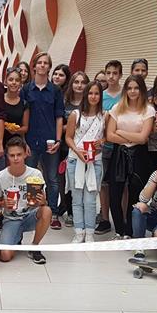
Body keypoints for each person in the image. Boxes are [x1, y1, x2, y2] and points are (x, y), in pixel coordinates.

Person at [105, 76, 155, 238]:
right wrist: (133, 137)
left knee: (135, 194)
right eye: (129, 88)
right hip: (119, 154)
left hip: (139, 155)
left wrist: (120, 132)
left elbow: (143, 138)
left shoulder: (148, 110)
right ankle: (119, 230)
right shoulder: (117, 108)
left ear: (142, 90)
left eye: (136, 88)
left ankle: (130, 231)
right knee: (115, 194)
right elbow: (109, 136)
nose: (133, 91)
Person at [0, 136, 52, 265]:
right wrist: (3, 204)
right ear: (7, 156)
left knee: (46, 211)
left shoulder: (35, 174)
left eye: (19, 154)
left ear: (26, 154)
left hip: (31, 215)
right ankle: (16, 237)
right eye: (12, 155)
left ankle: (34, 247)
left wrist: (42, 201)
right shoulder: (0, 176)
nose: (16, 159)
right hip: (11, 218)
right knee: (5, 256)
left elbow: (45, 203)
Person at [21, 52, 64, 220]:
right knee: (31, 178)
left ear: (49, 67)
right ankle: (32, 211)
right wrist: (23, 141)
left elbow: (59, 117)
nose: (42, 65)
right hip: (31, 141)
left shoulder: (55, 90)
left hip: (50, 141)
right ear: (34, 66)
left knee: (52, 178)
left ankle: (52, 212)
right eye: (39, 62)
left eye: (46, 63)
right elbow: (22, 117)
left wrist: (58, 140)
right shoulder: (26, 89)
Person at [64, 80, 105, 243]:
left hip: (95, 161)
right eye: (90, 93)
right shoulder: (76, 114)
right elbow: (68, 137)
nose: (93, 96)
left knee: (90, 200)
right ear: (86, 95)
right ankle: (78, 232)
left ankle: (89, 232)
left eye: (97, 93)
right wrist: (77, 151)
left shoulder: (104, 115)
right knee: (77, 199)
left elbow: (107, 136)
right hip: (76, 160)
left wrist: (102, 142)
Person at [57, 71, 89, 229]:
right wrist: (70, 126)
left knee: (84, 181)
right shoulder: (64, 101)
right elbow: (59, 124)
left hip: (86, 149)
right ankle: (69, 211)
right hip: (66, 146)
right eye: (76, 82)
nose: (79, 85)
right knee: (67, 181)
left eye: (83, 82)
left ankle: (85, 212)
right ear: (71, 84)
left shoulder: (91, 102)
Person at [97, 60, 124, 235]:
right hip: (104, 145)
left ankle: (123, 219)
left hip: (123, 144)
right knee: (103, 184)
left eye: (115, 73)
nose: (111, 76)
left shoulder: (126, 95)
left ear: (120, 75)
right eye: (108, 73)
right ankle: (105, 219)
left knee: (124, 184)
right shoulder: (100, 95)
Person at [2, 67, 29, 148]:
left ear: (20, 83)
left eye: (17, 80)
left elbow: (25, 127)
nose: (14, 82)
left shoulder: (24, 103)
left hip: (16, 144)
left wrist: (16, 130)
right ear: (5, 81)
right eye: (11, 80)